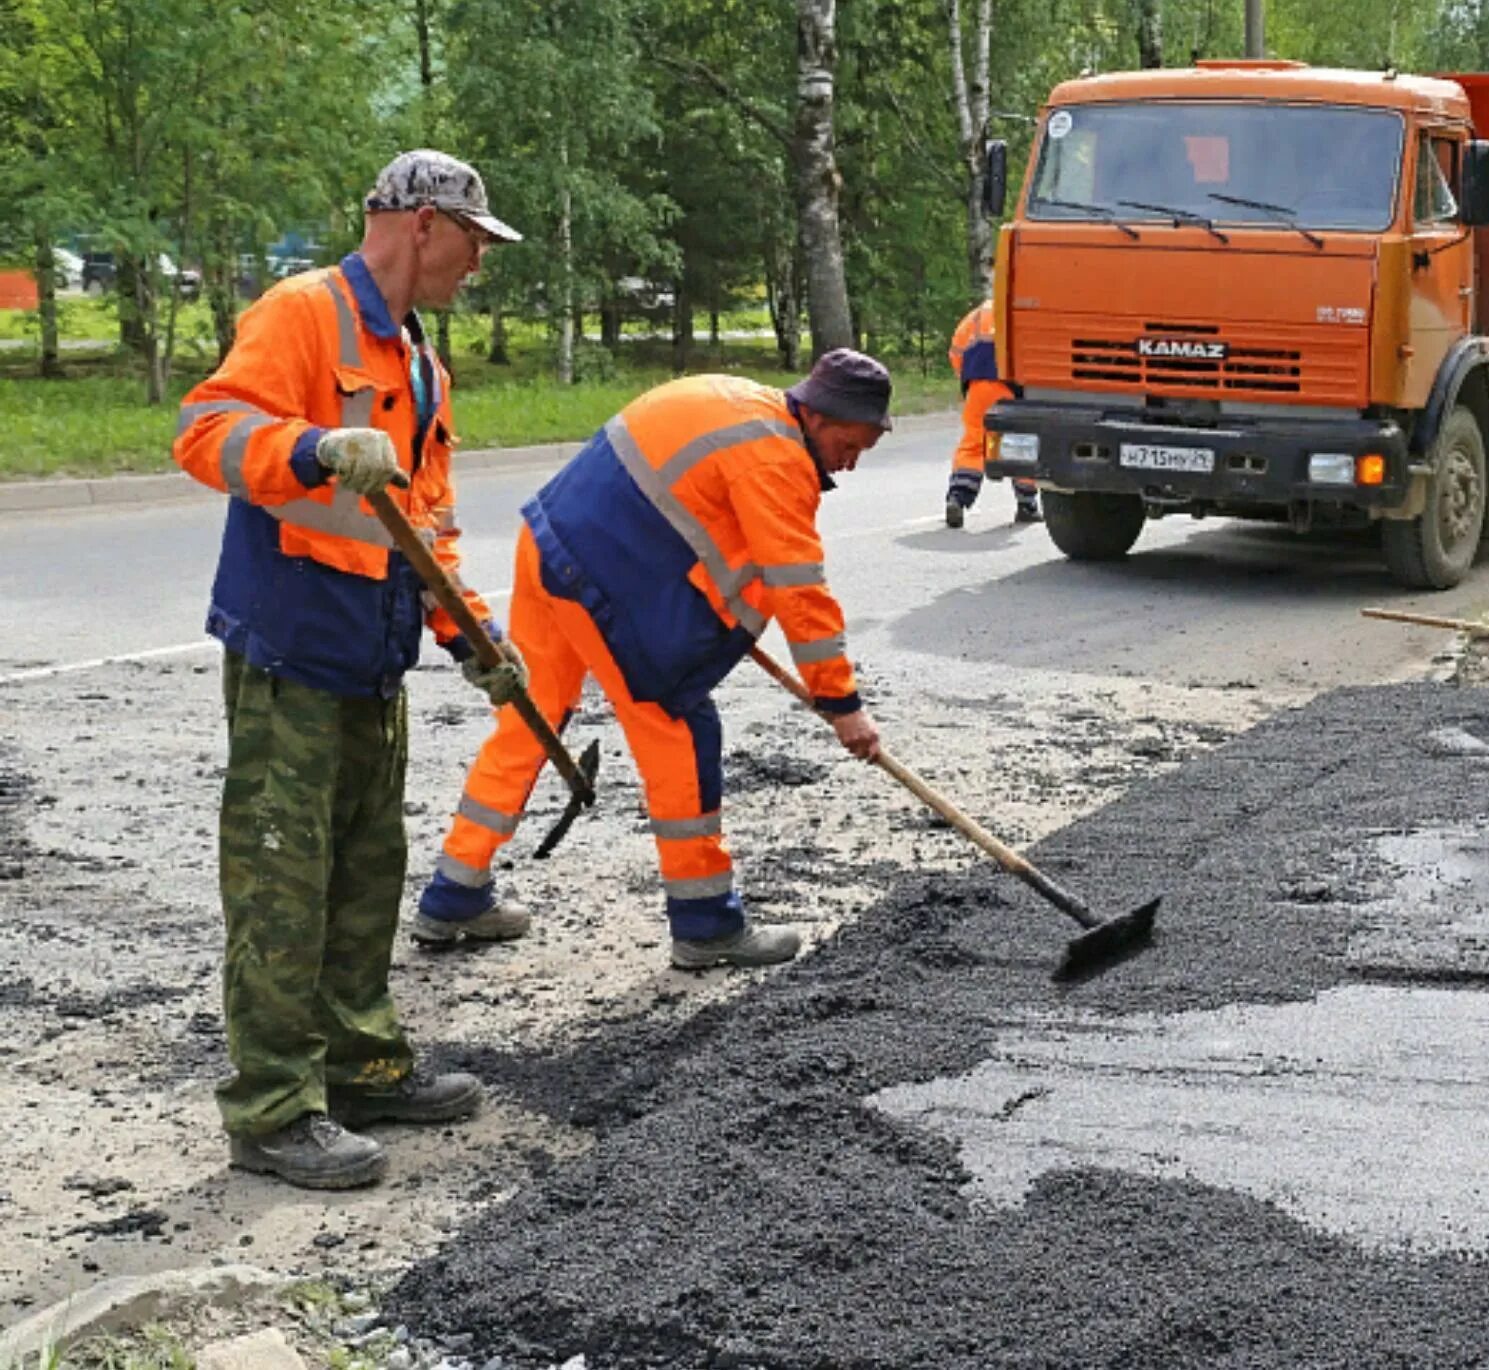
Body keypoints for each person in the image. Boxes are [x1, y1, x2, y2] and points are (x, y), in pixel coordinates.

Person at [172, 149, 527, 1191]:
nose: (477, 265)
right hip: (290, 646)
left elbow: (425, 526)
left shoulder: (420, 361)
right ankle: (275, 1108)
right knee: (284, 881)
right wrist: (313, 446)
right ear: (421, 223)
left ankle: (362, 1064)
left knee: (368, 870)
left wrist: (471, 635)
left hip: (376, 649)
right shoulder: (303, 314)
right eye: (473, 242)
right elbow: (205, 430)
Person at [411, 352, 893, 970]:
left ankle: (453, 892)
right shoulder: (776, 458)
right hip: (596, 578)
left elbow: (695, 525)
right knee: (680, 728)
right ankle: (706, 924)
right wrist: (842, 705)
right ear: (824, 416)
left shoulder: (732, 398)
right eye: (852, 444)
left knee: (532, 718)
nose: (851, 462)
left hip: (548, 542)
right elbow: (799, 589)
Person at [943, 298, 1039, 528]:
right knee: (1021, 442)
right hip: (1010, 386)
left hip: (978, 386)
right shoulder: (1022, 311)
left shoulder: (976, 315)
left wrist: (967, 380)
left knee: (974, 442)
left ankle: (958, 496)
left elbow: (956, 352)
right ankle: (1026, 504)